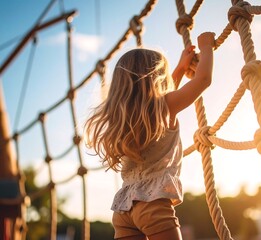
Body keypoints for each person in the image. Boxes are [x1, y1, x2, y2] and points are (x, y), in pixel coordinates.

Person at [84, 32, 215, 240]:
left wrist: (181, 69)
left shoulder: (122, 118)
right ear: (157, 79)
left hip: (123, 209)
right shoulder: (164, 108)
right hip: (153, 206)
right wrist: (207, 47)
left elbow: (158, 99)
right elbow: (203, 80)